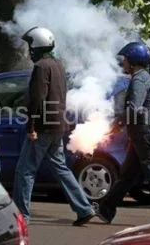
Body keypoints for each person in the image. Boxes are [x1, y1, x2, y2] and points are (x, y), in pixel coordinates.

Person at [12, 26, 95, 226]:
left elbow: (37, 99)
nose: (29, 49)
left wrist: (31, 127)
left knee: (25, 171)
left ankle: (21, 216)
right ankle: (84, 208)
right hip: (57, 125)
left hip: (42, 127)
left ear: (37, 45)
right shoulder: (57, 65)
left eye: (30, 44)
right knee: (61, 169)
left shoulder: (41, 66)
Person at [97, 41, 150, 223]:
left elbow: (134, 108)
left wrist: (119, 122)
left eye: (125, 60)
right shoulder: (143, 77)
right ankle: (106, 209)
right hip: (141, 134)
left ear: (133, 61)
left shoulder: (139, 80)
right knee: (126, 176)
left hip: (144, 134)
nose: (123, 63)